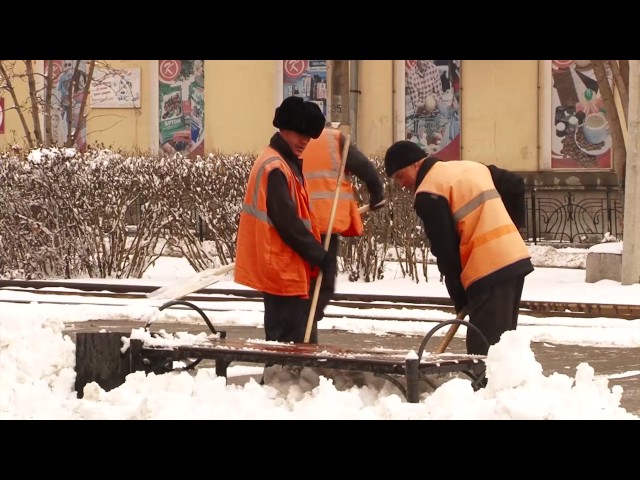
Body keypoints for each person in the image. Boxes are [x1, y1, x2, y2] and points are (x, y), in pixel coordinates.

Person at [383, 141, 534, 356]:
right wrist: (512, 229)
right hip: (514, 260)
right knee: (503, 347)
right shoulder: (470, 168)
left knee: (483, 351)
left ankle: (484, 388)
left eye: (400, 175)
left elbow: (445, 252)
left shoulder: (428, 192)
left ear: (416, 164)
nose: (401, 184)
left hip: (486, 268)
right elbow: (515, 184)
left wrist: (459, 296)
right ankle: (504, 387)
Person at [234, 96, 330, 346]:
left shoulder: (284, 163)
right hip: (282, 272)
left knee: (294, 348)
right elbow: (287, 223)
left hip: (288, 269)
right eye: (300, 133)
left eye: (309, 135)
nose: (305, 141)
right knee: (289, 351)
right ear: (283, 129)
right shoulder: (275, 167)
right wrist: (319, 255)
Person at [301, 125, 386, 343]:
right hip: (325, 223)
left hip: (296, 223)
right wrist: (377, 195)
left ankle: (304, 326)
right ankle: (307, 324)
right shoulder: (334, 140)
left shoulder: (291, 139)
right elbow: (365, 168)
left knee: (302, 282)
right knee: (323, 281)